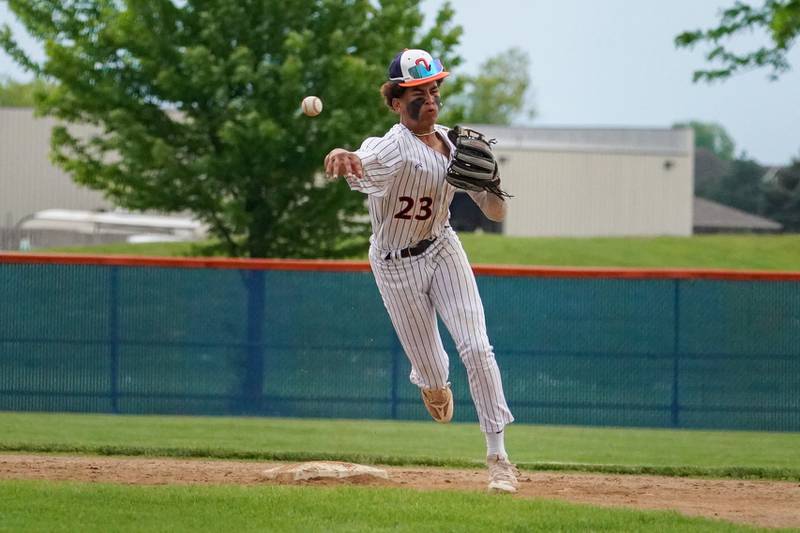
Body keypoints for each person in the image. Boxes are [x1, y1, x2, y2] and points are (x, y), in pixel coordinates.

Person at [324, 48, 518, 494]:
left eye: (433, 89)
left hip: (444, 247)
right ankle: (432, 384)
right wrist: (343, 153)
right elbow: (364, 156)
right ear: (396, 101)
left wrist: (489, 185)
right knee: (433, 371)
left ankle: (499, 457)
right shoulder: (392, 147)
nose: (429, 98)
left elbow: (495, 212)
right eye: (416, 92)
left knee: (477, 347)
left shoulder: (456, 144)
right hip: (396, 267)